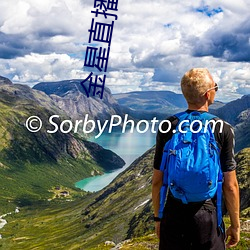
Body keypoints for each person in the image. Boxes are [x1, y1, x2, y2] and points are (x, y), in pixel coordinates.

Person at [152, 68, 240, 250]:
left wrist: (158, 218)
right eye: (216, 87)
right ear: (208, 94)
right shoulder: (222, 129)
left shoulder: (168, 125)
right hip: (207, 215)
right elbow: (230, 185)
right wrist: (235, 225)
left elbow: (157, 181)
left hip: (174, 212)